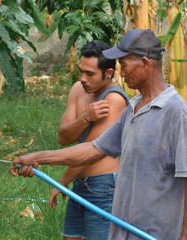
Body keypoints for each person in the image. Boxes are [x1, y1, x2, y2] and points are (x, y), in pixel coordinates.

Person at [11, 29, 187, 240]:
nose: (121, 73)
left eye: (124, 65)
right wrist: (38, 158)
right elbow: (93, 149)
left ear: (145, 63)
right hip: (121, 229)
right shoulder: (133, 108)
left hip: (154, 232)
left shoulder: (176, 112)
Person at [49, 40, 129, 240]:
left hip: (103, 187)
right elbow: (63, 137)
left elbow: (90, 151)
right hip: (80, 182)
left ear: (108, 73)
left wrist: (61, 183)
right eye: (81, 71)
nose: (83, 78)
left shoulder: (114, 100)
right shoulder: (78, 89)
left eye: (90, 74)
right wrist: (86, 118)